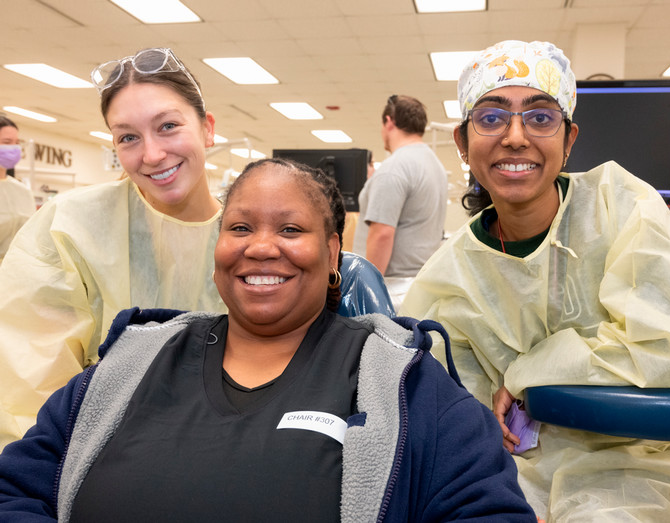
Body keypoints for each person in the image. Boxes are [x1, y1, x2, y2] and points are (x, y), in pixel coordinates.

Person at [0, 158, 537, 522]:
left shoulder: (405, 386)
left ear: (332, 255)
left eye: (289, 230)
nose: (260, 248)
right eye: (239, 228)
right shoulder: (130, 363)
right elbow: (16, 491)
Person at [401, 40, 670, 521]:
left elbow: (668, 351)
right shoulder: (448, 274)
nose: (515, 136)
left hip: (644, 462)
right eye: (491, 117)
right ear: (463, 143)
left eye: (540, 117)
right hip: (514, 468)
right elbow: (444, 397)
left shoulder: (621, 206)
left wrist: (524, 374)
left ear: (569, 139)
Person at [0, 48, 227, 450]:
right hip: (100, 453)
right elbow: (29, 389)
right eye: (128, 137)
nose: (152, 154)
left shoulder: (249, 234)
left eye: (169, 126)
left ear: (207, 128)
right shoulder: (70, 226)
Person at [353, 95, 447, 309]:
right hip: (419, 285)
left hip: (391, 288)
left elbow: (382, 234)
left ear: (389, 122)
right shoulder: (435, 165)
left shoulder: (395, 167)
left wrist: (366, 290)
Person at [0, 116, 35, 261]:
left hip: (13, 272)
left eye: (16, 143)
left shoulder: (23, 191)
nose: (14, 148)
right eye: (7, 142)